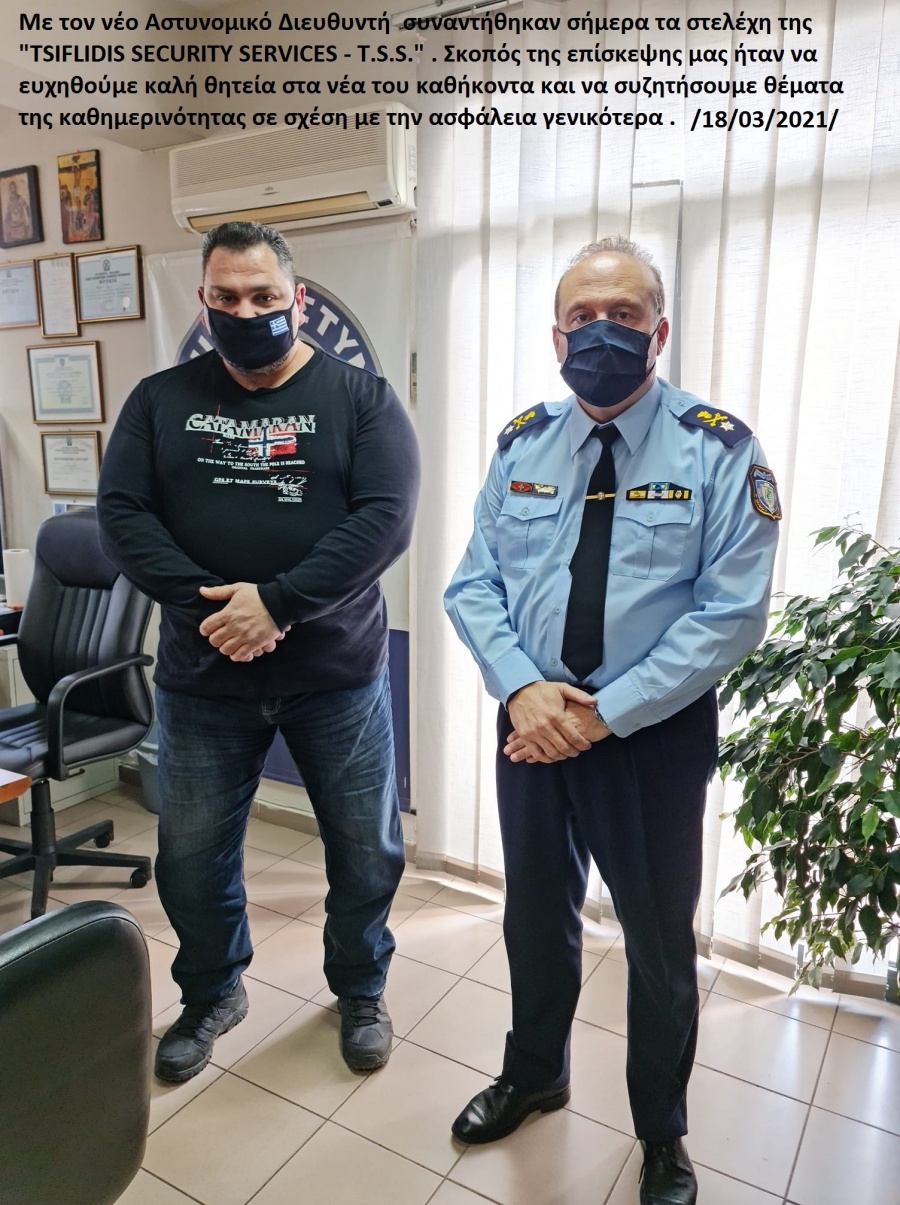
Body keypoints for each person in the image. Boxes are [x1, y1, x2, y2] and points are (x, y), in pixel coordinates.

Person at [443, 237, 780, 1205]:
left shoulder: (719, 449)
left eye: (623, 316)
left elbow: (730, 615)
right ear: (556, 336)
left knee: (658, 942)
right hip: (532, 722)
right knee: (533, 914)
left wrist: (606, 715)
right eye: (582, 318)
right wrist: (522, 688)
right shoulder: (523, 444)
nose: (601, 333)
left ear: (658, 331)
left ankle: (662, 1133)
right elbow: (474, 585)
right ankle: (534, 1072)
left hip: (651, 735)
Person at [98, 220, 420, 1083]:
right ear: (203, 299)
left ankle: (360, 989)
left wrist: (275, 604)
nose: (247, 313)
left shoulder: (362, 399)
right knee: (191, 857)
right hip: (204, 675)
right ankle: (211, 993)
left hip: (336, 675)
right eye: (228, 297)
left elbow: (384, 520)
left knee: (365, 850)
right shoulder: (159, 400)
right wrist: (218, 608)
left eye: (265, 296)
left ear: (298, 300)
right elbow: (123, 516)